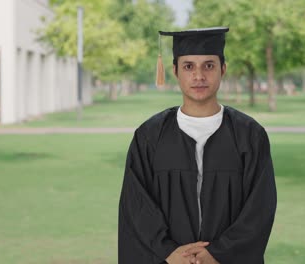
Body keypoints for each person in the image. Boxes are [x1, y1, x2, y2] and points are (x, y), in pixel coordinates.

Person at [118, 27, 277, 264]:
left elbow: (260, 208)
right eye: (189, 66)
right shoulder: (149, 136)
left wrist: (218, 253)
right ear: (175, 71)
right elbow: (136, 204)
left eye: (209, 66)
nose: (199, 76)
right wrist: (169, 252)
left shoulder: (249, 136)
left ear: (223, 69)